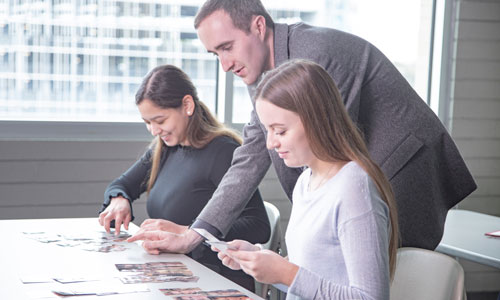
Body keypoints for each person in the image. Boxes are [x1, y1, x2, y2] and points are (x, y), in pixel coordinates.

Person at [129, 0, 476, 254]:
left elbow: (324, 147)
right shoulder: (263, 72)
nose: (224, 65)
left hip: (406, 163)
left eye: (226, 47)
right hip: (371, 162)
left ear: (259, 27)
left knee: (377, 275)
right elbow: (253, 152)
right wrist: (197, 233)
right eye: (213, 54)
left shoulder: (315, 55)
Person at [216, 59, 399, 299]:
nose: (271, 143)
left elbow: (370, 297)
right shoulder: (306, 181)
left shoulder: (354, 188)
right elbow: (314, 275)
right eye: (267, 130)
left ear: (316, 120)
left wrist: (285, 273)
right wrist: (259, 261)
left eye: (280, 131)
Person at [98, 64, 270, 291]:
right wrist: (119, 198)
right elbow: (122, 185)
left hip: (215, 280)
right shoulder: (166, 148)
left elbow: (259, 226)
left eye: (160, 121)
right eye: (147, 123)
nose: (154, 131)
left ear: (187, 106)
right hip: (173, 275)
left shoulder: (223, 152)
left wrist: (186, 231)